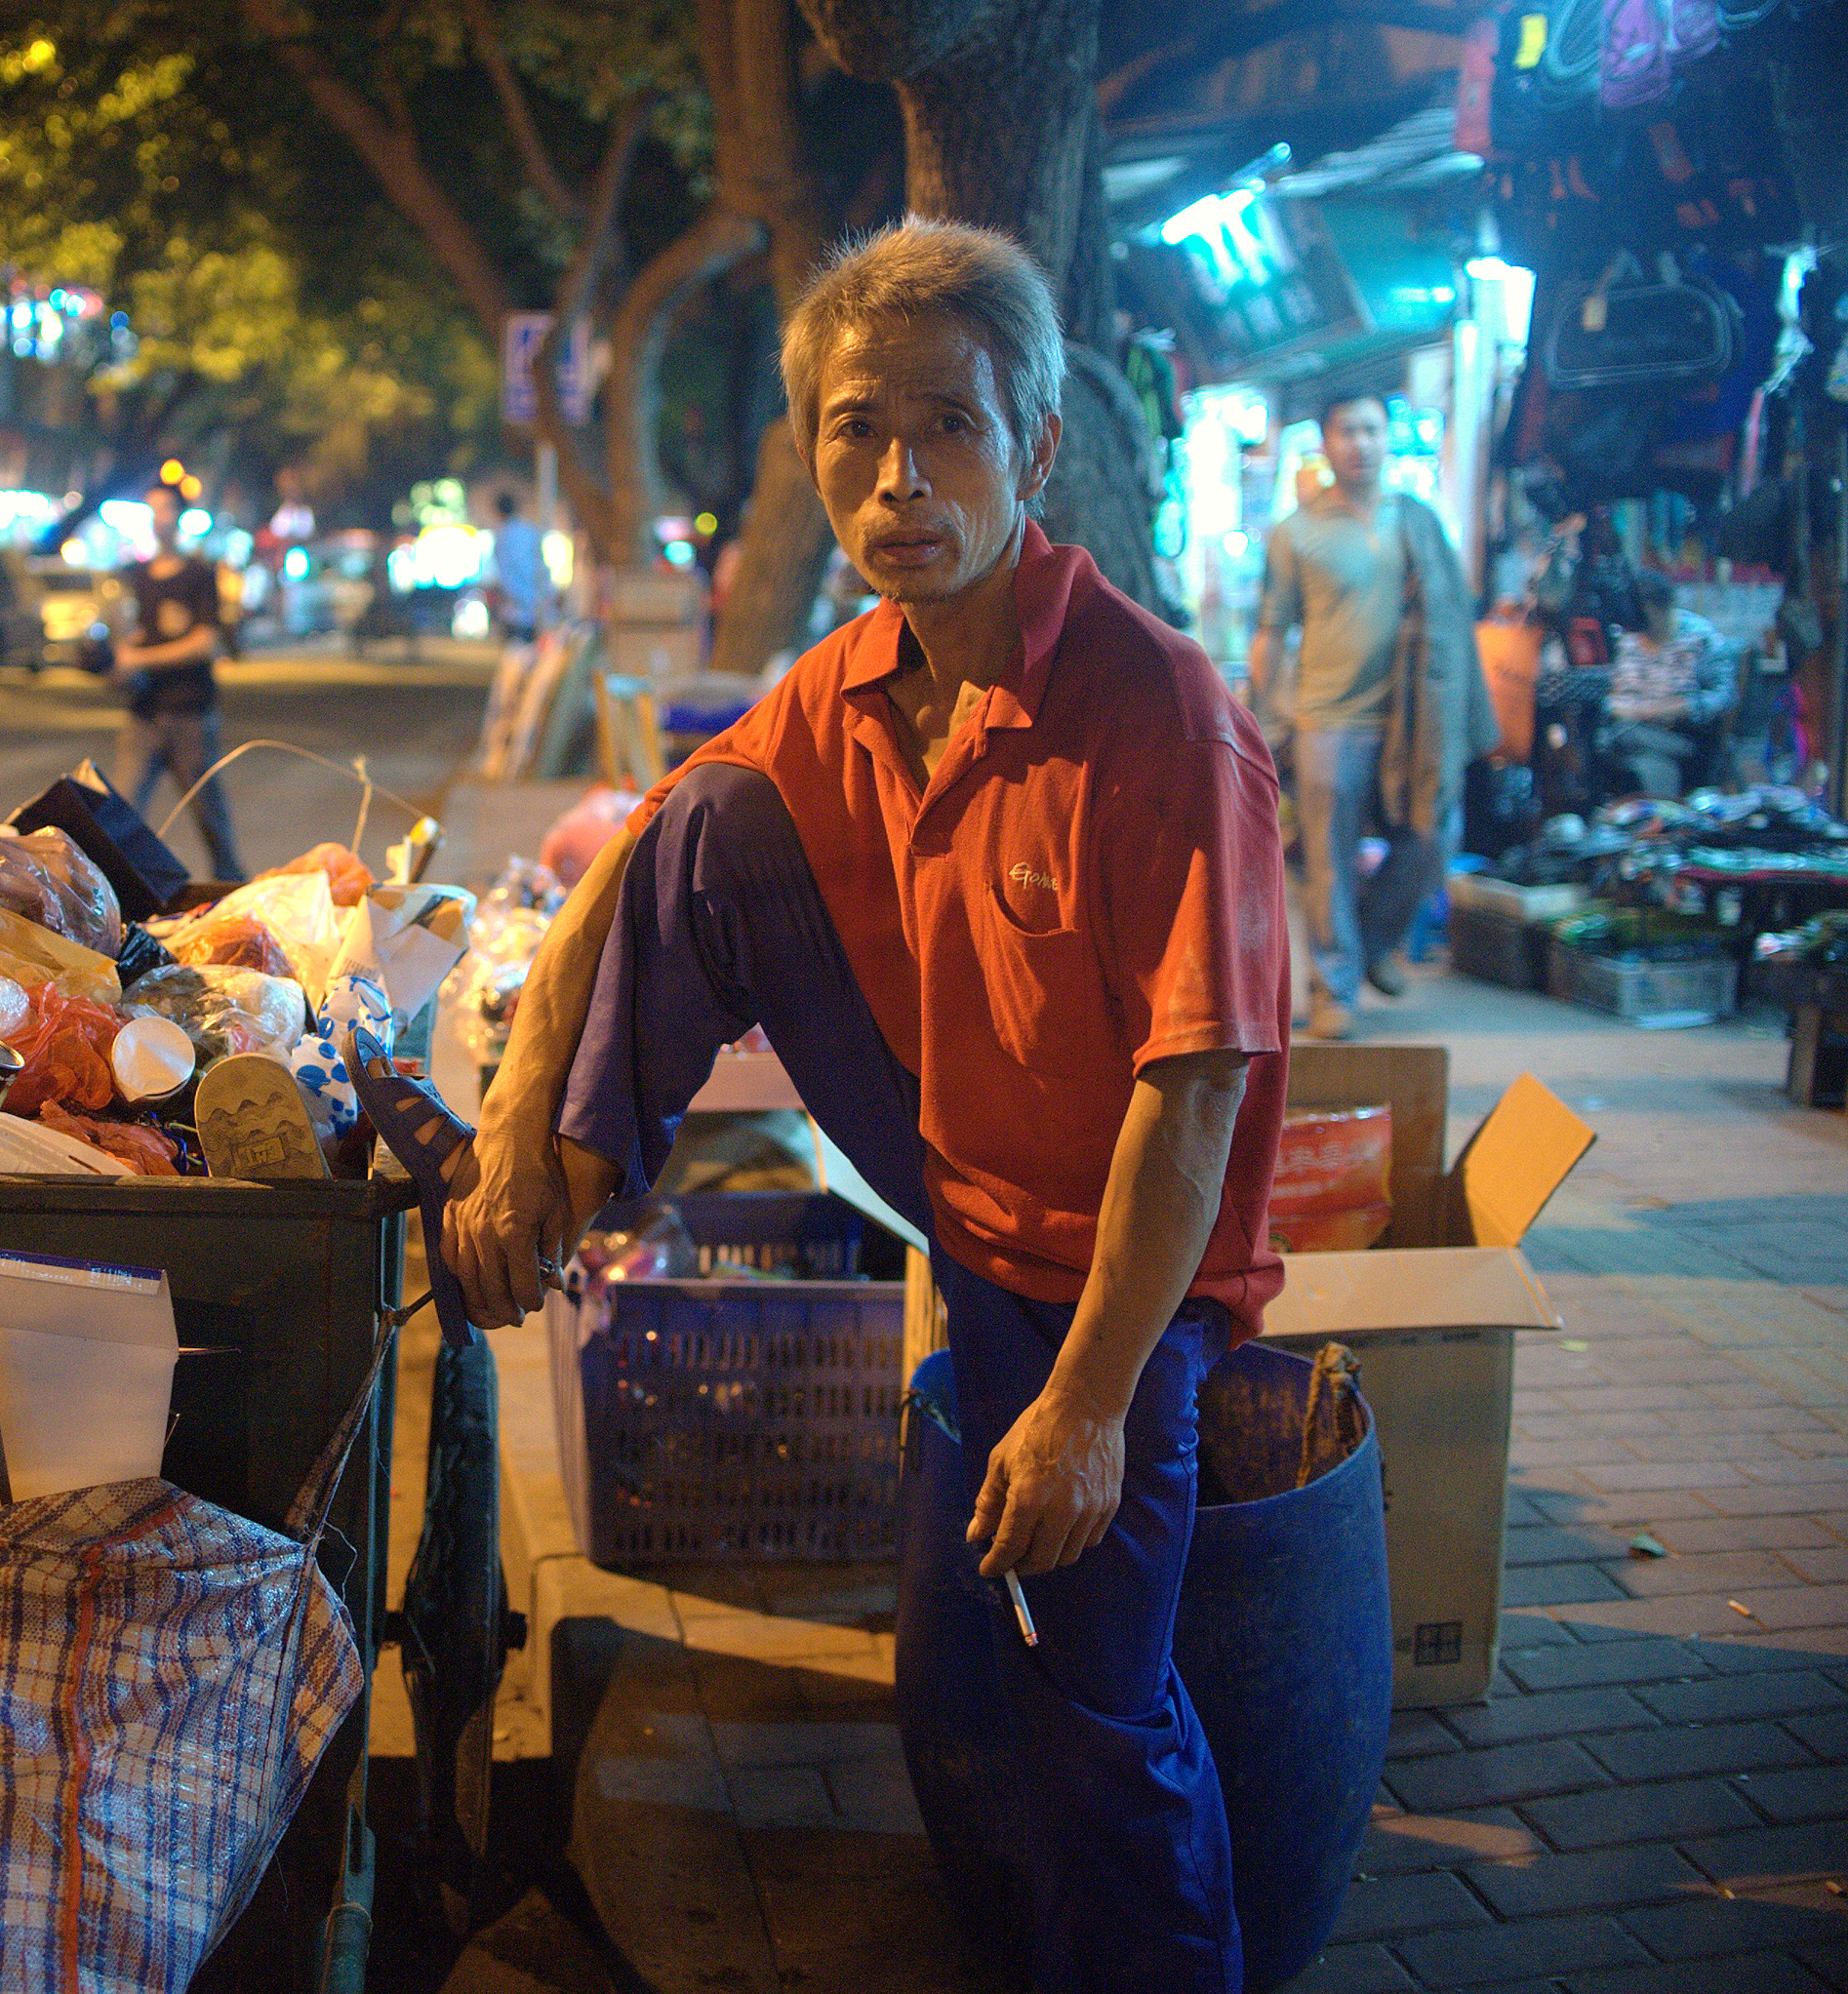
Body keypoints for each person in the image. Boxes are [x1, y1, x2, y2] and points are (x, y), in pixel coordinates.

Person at [442, 219, 1289, 1991]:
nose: (898, 477)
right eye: (852, 430)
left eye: (948, 428)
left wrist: (1084, 1406)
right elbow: (653, 848)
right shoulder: (857, 674)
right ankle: (566, 1202)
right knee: (705, 824)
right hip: (956, 1189)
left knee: (1090, 1716)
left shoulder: (1158, 712)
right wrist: (525, 1109)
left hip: (1121, 1285)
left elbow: (1198, 1097)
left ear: (1034, 447)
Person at [1249, 393, 1495, 1040]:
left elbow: (1452, 616)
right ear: (1325, 443)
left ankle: (1375, 939)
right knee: (1330, 856)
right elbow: (1272, 629)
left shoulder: (1415, 520)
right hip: (1327, 719)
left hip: (1414, 719)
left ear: (1387, 438)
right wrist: (1251, 711)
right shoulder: (1296, 532)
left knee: (1429, 836)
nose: (1361, 442)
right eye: (1347, 431)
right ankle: (1335, 991)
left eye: (1371, 430)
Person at [109, 481, 243, 879]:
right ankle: (117, 897)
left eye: (165, 509)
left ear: (180, 515)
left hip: (190, 712)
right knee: (118, 814)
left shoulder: (199, 574)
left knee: (210, 818)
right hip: (144, 713)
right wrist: (118, 660)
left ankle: (232, 892)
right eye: (151, 510)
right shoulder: (134, 576)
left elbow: (205, 642)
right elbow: (126, 633)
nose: (157, 518)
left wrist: (140, 658)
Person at [1596, 569, 1735, 799]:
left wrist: (1674, 707)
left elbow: (1724, 696)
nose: (1638, 624)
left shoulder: (1700, 638)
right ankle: (1660, 813)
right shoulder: (1621, 638)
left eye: (1644, 615)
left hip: (1682, 736)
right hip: (1628, 726)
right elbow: (1600, 688)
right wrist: (1619, 708)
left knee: (1619, 740)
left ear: (1666, 605)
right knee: (1639, 753)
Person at [489, 490, 548, 643]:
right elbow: (541, 567)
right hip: (536, 609)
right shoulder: (530, 531)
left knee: (516, 655)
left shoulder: (502, 536)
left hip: (515, 611)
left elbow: (506, 575)